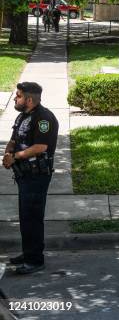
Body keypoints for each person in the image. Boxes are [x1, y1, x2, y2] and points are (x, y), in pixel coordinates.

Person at [2, 82, 58, 275]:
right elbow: (15, 138)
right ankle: (28, 253)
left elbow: (40, 147)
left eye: (18, 96)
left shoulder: (44, 118)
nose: (15, 99)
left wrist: (15, 157)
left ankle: (35, 260)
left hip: (37, 176)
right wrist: (8, 152)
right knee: (25, 217)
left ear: (29, 99)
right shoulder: (23, 116)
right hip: (24, 174)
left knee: (32, 217)